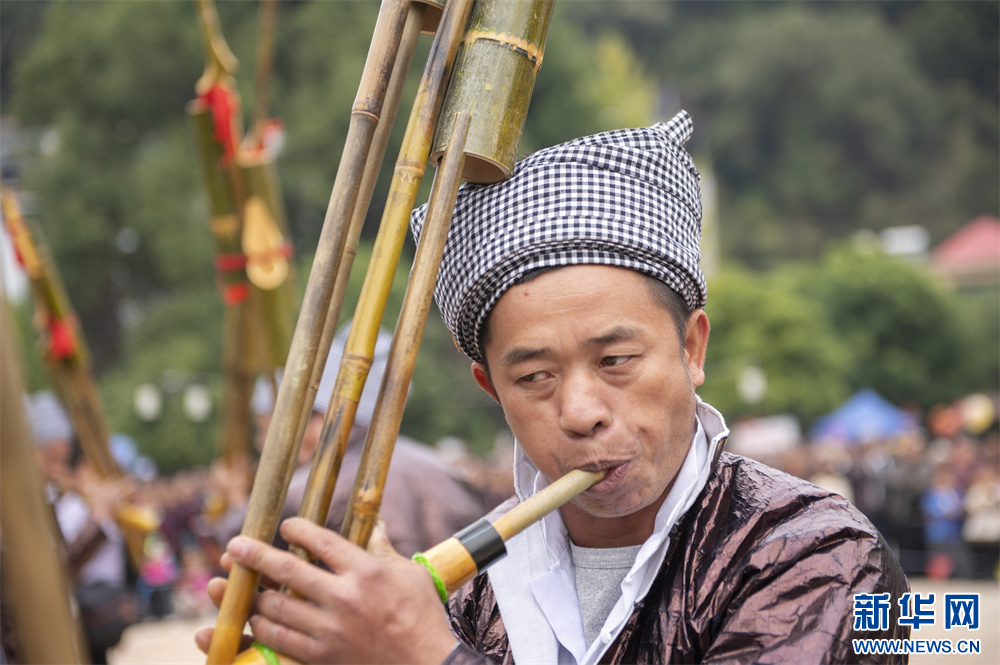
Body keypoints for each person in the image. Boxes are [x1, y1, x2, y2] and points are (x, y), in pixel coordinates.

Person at [196, 112, 910, 664]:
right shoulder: (469, 589)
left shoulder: (819, 554)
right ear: (489, 387)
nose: (580, 412)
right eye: (534, 376)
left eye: (616, 360)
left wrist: (422, 652)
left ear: (692, 348)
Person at [212, 321, 489, 557]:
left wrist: (236, 501)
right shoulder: (438, 467)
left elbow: (243, 547)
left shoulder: (315, 486)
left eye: (266, 430)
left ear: (317, 418)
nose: (263, 444)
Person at [27, 390, 136, 664]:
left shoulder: (49, 500)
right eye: (50, 459)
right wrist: (97, 519)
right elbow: (57, 568)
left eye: (62, 461)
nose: (56, 471)